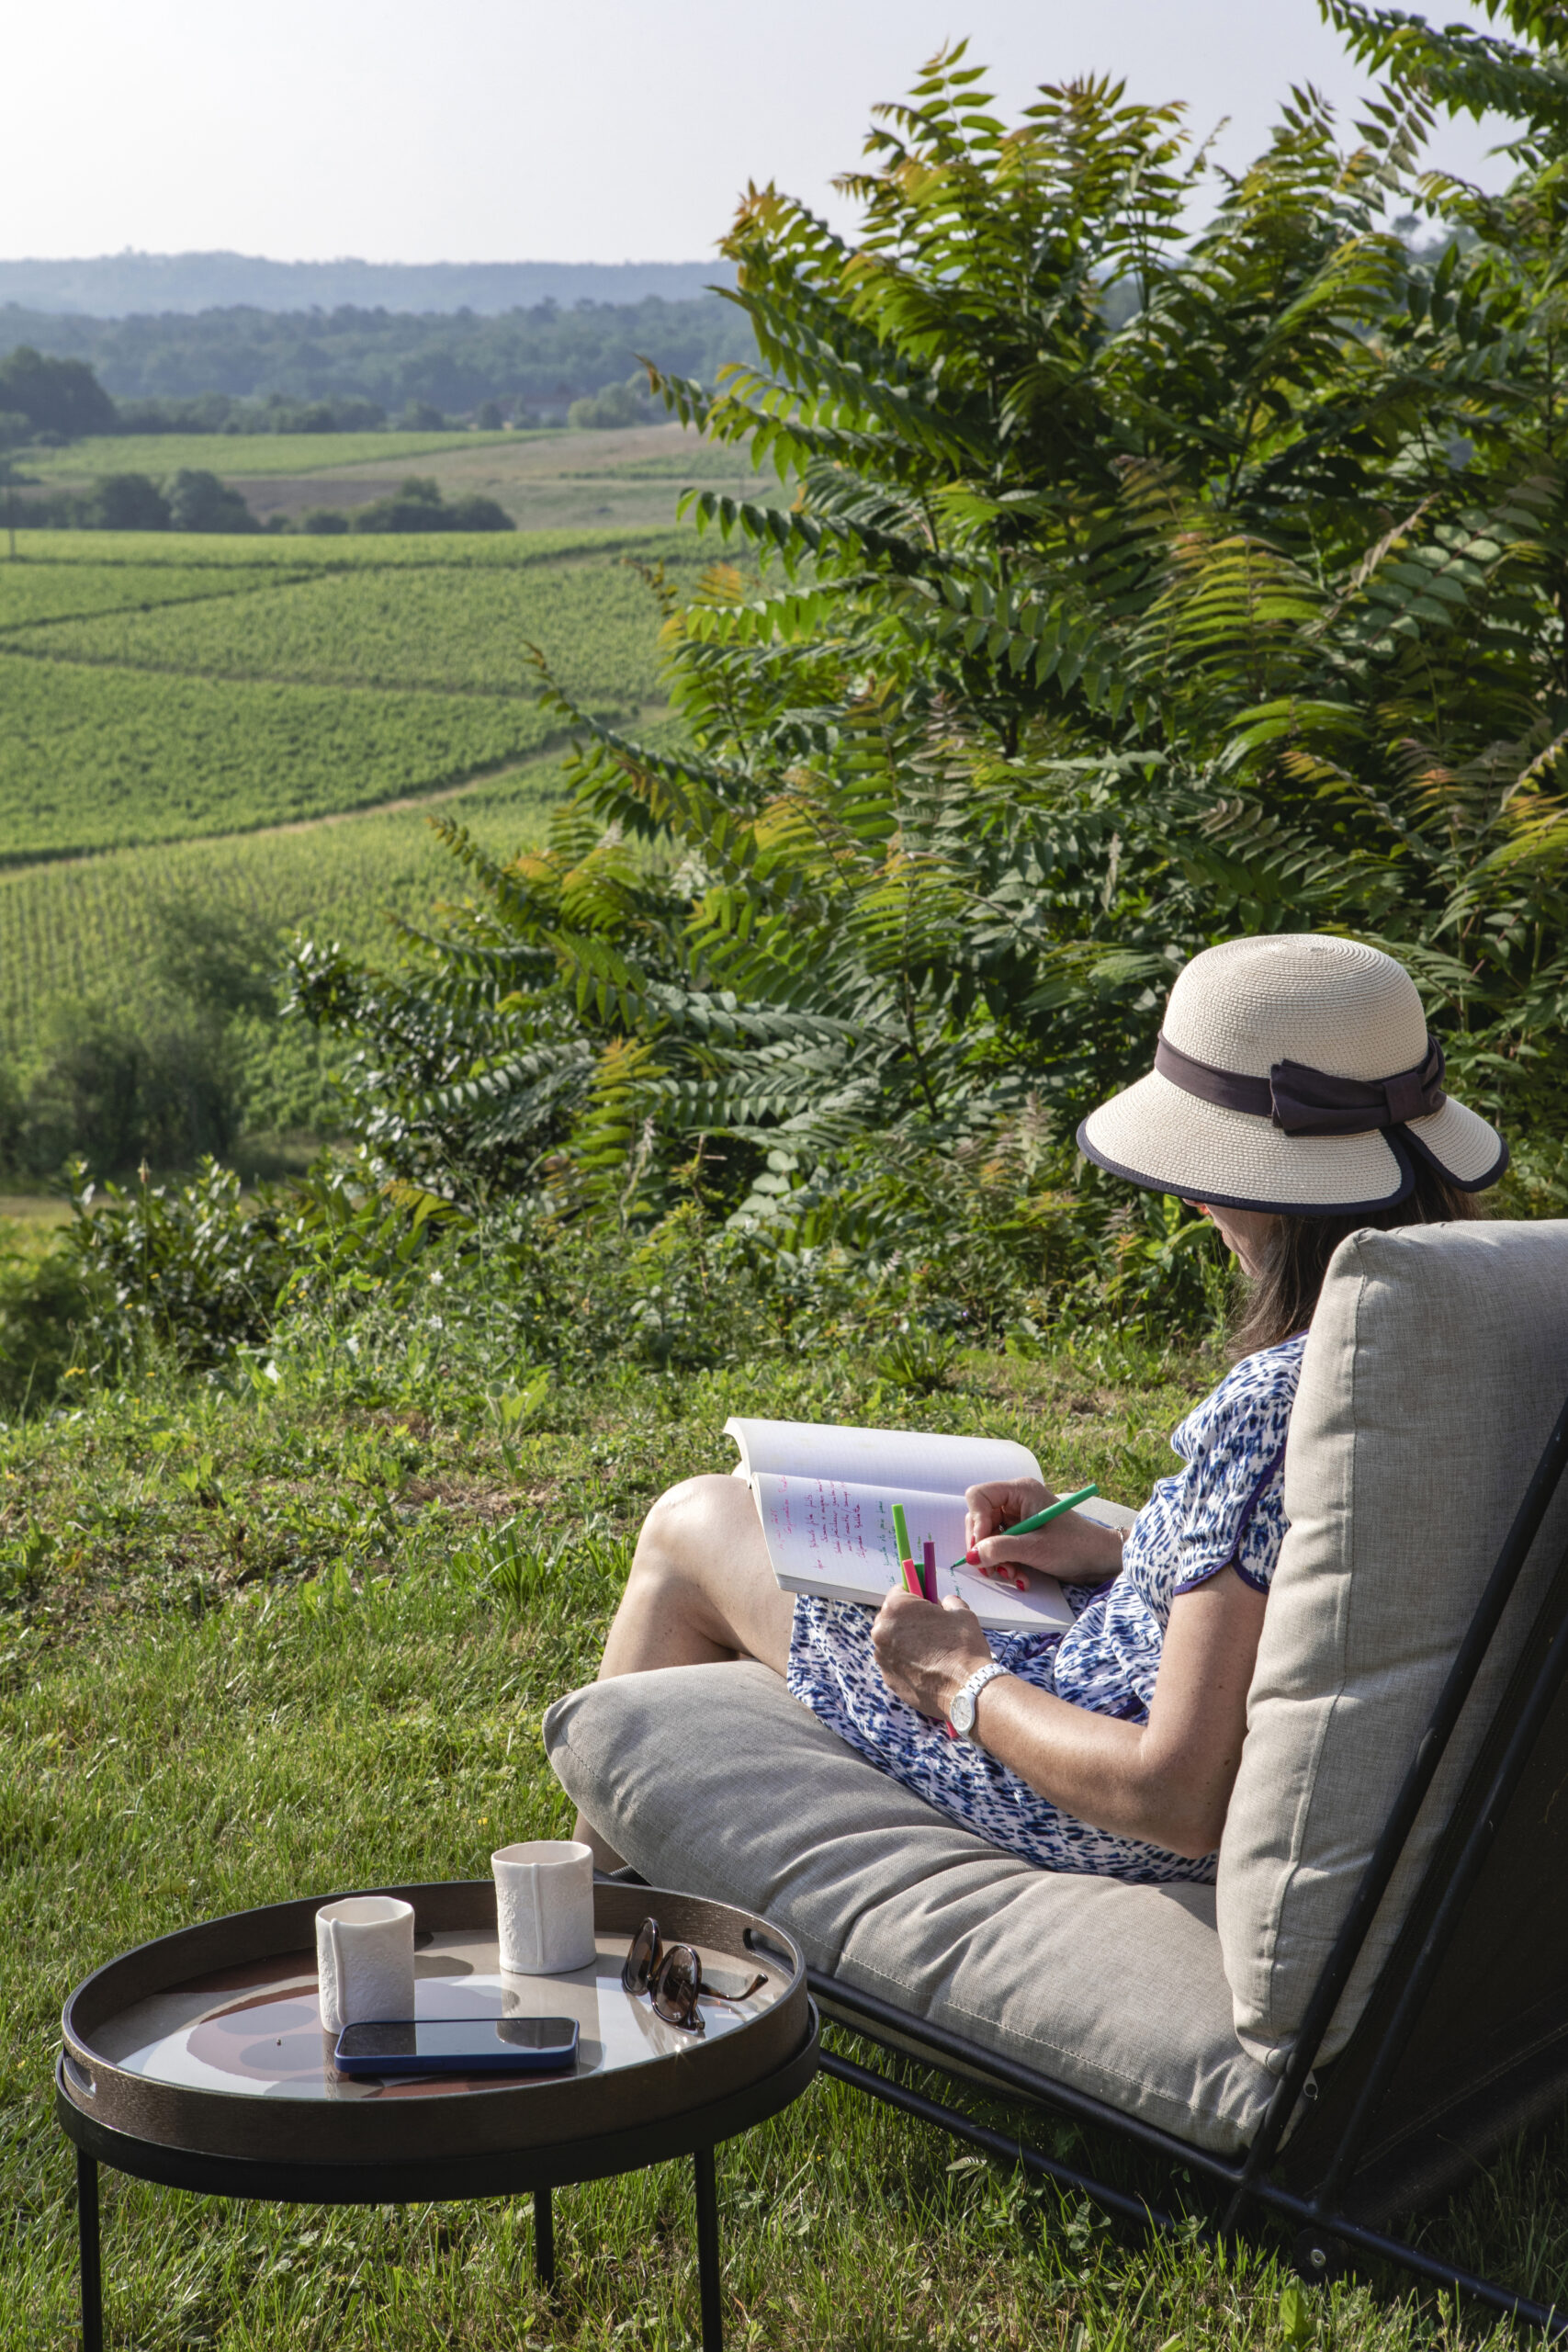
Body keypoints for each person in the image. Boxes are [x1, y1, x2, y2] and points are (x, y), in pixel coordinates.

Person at [573, 934, 1507, 1884]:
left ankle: (573, 1923)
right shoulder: (1488, 1334)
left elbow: (1177, 1797)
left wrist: (959, 1679)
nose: (1194, 1203)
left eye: (1207, 1175)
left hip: (1085, 1786)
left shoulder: (1277, 1404)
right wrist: (1123, 1548)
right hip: (1193, 1709)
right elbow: (1325, 1572)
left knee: (694, 1523)